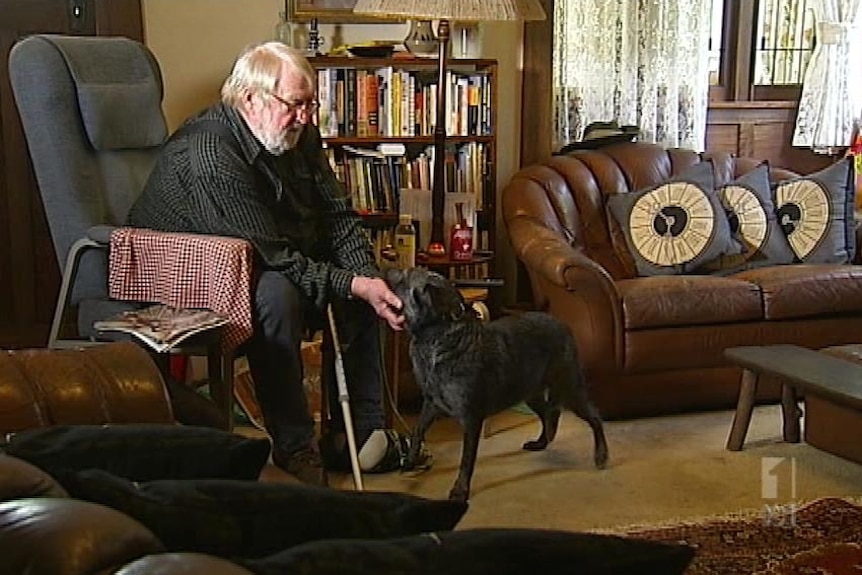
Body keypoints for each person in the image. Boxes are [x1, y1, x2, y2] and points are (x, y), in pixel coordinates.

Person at [128, 41, 417, 486]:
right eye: (295, 104)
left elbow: (337, 214)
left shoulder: (298, 132)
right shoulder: (209, 153)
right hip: (182, 271)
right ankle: (295, 446)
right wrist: (354, 285)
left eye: (310, 104)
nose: (305, 116)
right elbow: (277, 260)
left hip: (260, 255)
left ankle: (356, 436)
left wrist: (367, 279)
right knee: (278, 296)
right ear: (251, 99)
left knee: (368, 283)